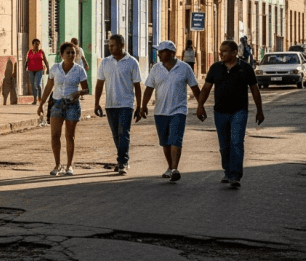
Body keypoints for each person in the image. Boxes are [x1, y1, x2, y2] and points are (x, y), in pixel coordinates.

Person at [195, 40, 265, 189]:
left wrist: (259, 111)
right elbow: (206, 89)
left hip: (239, 111)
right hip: (220, 112)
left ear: (234, 52)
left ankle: (235, 175)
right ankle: (227, 170)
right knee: (224, 145)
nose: (221, 54)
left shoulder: (245, 68)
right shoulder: (215, 68)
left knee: (237, 142)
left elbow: (254, 90)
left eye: (224, 51)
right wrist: (200, 106)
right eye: (220, 51)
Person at [140, 41, 201, 183]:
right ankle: (170, 167)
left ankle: (175, 169)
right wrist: (143, 106)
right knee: (165, 142)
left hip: (178, 110)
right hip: (160, 111)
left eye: (162, 51)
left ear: (172, 53)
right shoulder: (156, 69)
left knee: (176, 139)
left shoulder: (184, 68)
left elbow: (195, 88)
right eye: (159, 51)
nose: (159, 54)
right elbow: (149, 89)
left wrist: (200, 105)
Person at [93, 34, 143, 175]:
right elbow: (99, 84)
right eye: (109, 45)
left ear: (122, 46)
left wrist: (139, 106)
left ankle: (123, 162)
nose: (110, 47)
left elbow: (137, 86)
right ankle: (121, 158)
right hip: (110, 104)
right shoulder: (105, 62)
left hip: (126, 104)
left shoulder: (132, 62)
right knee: (116, 134)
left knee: (124, 133)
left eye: (113, 45)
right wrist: (96, 103)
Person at [37, 42, 89, 176]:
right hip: (57, 103)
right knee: (55, 135)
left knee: (69, 136)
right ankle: (57, 165)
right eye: (68, 53)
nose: (71, 55)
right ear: (61, 55)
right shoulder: (55, 68)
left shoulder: (79, 70)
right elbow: (48, 87)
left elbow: (86, 89)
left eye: (73, 52)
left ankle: (69, 165)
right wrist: (41, 104)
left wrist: (78, 93)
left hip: (72, 104)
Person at [26, 39, 50, 103]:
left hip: (39, 70)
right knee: (33, 84)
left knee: (37, 84)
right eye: (36, 44)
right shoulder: (30, 52)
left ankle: (40, 97)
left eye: (38, 44)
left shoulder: (41, 52)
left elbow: (45, 61)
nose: (37, 46)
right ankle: (35, 99)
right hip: (31, 70)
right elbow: (27, 61)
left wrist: (48, 68)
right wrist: (25, 68)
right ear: (33, 45)